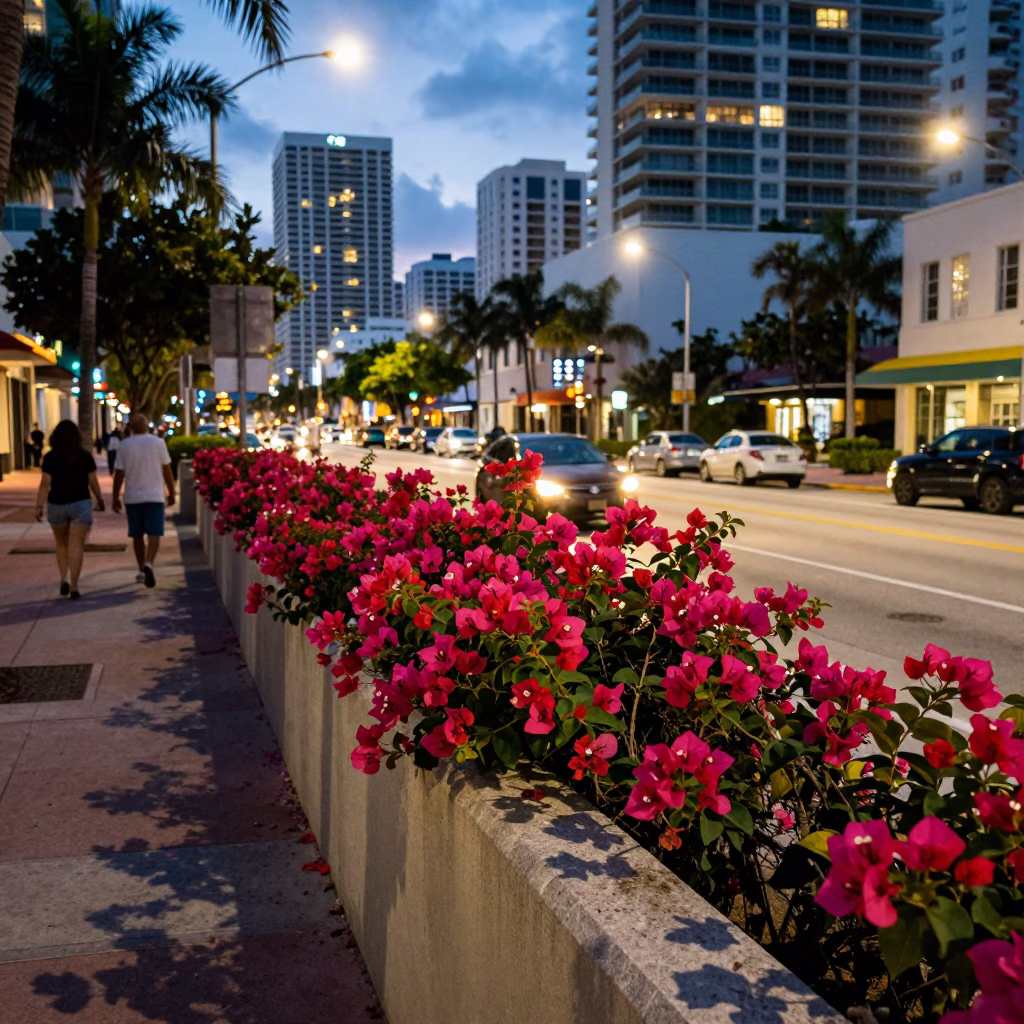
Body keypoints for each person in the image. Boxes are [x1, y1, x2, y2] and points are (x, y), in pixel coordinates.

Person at [34, 419, 105, 599]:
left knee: (61, 543)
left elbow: (45, 484)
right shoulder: (85, 456)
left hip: (57, 503)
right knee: (76, 546)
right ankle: (74, 585)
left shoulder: (50, 457)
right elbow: (93, 481)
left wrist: (38, 505)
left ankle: (63, 577)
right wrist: (100, 499)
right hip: (80, 503)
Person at [112, 414, 175, 588]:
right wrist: (171, 492)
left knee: (137, 534)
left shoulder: (125, 445)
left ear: (131, 427)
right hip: (155, 496)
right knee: (154, 532)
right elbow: (167, 469)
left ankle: (141, 569)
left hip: (133, 497)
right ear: (147, 426)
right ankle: (149, 563)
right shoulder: (158, 443)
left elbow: (119, 473)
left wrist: (115, 496)